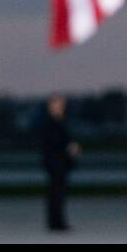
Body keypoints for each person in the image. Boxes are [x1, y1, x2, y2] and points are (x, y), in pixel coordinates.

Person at [40, 95, 81, 231]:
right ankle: (56, 223)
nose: (61, 107)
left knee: (58, 194)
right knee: (56, 194)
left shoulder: (59, 122)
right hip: (56, 163)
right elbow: (54, 143)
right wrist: (70, 148)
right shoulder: (52, 123)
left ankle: (56, 222)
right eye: (58, 105)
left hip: (60, 164)